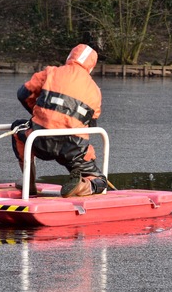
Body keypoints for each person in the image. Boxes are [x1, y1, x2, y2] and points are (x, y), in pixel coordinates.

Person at [11, 44, 108, 197]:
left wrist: (39, 115)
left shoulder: (51, 72)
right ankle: (84, 185)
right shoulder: (95, 91)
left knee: (17, 129)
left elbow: (23, 94)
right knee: (100, 181)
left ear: (70, 57)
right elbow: (91, 126)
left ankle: (28, 183)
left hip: (39, 140)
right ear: (91, 67)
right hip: (73, 149)